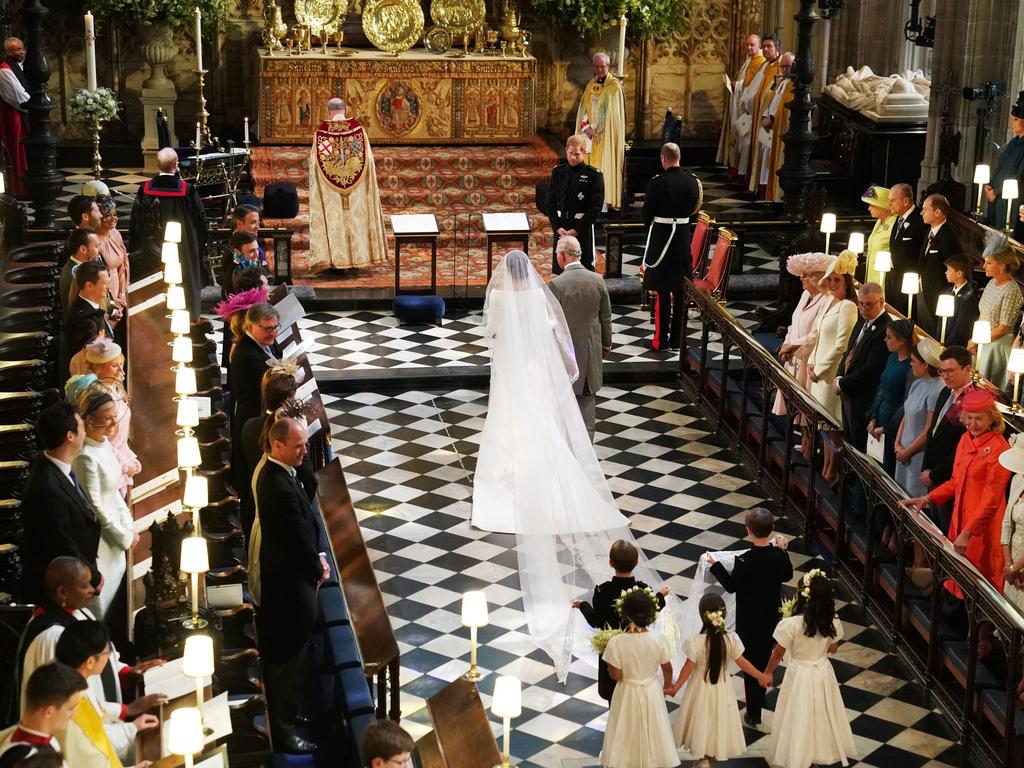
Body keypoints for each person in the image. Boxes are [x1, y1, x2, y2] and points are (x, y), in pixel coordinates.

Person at [471, 250, 673, 680]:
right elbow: (555, 334)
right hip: (532, 371)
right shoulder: (539, 297)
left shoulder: (503, 299)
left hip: (509, 371)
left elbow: (490, 331)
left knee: (507, 422)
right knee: (537, 424)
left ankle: (508, 479)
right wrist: (564, 370)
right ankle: (543, 470)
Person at [17, 559, 164, 763]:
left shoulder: (78, 611)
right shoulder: (53, 638)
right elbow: (77, 711)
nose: (94, 590)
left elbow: (103, 653)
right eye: (85, 585)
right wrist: (127, 718)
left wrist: (126, 671)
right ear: (62, 593)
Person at [255, 418, 329, 754]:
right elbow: (298, 536)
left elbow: (310, 490)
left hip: (291, 581)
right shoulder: (278, 485)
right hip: (289, 592)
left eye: (305, 444)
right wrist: (317, 566)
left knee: (294, 661)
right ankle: (283, 733)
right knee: (288, 660)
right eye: (298, 446)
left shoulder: (283, 473)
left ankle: (288, 713)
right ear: (278, 445)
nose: (304, 451)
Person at [903, 390, 1011, 597]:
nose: (972, 423)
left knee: (977, 585)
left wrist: (968, 532)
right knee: (955, 578)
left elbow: (991, 500)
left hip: (982, 529)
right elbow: (956, 482)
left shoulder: (999, 449)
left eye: (979, 418)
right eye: (969, 418)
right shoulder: (965, 439)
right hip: (960, 521)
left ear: (992, 418)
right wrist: (928, 498)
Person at [706, 507, 792, 728]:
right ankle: (760, 693)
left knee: (751, 662)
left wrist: (715, 566)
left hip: (749, 621)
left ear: (748, 531)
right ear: (772, 530)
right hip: (772, 618)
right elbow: (788, 574)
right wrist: (782, 550)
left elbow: (732, 586)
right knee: (764, 657)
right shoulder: (778, 557)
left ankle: (753, 712)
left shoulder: (744, 560)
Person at [763, 570, 855, 768]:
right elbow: (833, 648)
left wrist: (767, 671)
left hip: (799, 675)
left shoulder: (792, 624)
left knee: (798, 715)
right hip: (822, 673)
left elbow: (778, 653)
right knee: (820, 715)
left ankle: (800, 756)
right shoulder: (832, 621)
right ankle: (815, 754)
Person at [668, 593, 768, 766]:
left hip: (699, 688)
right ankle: (709, 760)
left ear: (702, 616)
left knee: (700, 720)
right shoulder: (731, 639)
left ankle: (703, 759)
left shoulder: (696, 642)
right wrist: (760, 676)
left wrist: (675, 687)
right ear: (723, 614)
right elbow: (743, 663)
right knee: (716, 722)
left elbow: (688, 669)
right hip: (722, 688)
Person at [70, 389, 135, 640]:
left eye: (113, 416)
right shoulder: (85, 456)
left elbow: (115, 493)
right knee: (104, 606)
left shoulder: (104, 443)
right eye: (107, 418)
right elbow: (96, 507)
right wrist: (123, 537)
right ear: (89, 421)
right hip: (102, 542)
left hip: (117, 531)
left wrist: (129, 526)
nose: (113, 423)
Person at [19, 403, 99, 605]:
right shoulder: (48, 487)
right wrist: (93, 575)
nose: (85, 433)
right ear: (70, 436)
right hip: (59, 593)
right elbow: (62, 543)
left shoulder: (58, 469)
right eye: (81, 429)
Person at [571, 540, 668, 702]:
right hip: (639, 652)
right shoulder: (643, 591)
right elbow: (650, 610)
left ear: (610, 563)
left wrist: (583, 606)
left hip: (613, 653)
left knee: (614, 697)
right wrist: (660, 596)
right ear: (636, 563)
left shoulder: (603, 591)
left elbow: (596, 621)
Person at [54, 621, 158, 768]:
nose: (109, 658)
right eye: (107, 652)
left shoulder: (71, 683)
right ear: (90, 661)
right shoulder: (74, 703)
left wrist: (131, 722)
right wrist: (131, 729)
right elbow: (96, 748)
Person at [307, 98, 388, 271]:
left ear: (328, 112)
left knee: (334, 218)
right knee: (355, 218)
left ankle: (333, 260)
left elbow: (315, 164)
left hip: (330, 187)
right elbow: (369, 161)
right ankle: (358, 258)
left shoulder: (322, 134)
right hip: (356, 187)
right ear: (345, 110)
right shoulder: (358, 131)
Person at [599, 590, 677, 768]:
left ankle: (626, 761)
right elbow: (667, 668)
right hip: (651, 691)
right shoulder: (659, 639)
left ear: (625, 614)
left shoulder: (617, 642)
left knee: (626, 728)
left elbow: (617, 675)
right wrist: (667, 685)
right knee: (653, 728)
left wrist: (611, 670)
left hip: (627, 692)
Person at [128, 147, 208, 319]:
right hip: (183, 248)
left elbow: (135, 222)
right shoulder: (188, 190)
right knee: (184, 282)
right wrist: (199, 246)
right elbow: (201, 222)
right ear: (176, 165)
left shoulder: (145, 189)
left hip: (153, 247)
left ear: (158, 165)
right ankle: (187, 318)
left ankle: (154, 319)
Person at [641, 142, 702, 352]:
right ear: (679, 157)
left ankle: (661, 341)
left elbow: (647, 213)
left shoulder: (657, 182)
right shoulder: (693, 182)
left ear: (663, 159)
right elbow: (695, 211)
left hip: (661, 241)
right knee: (680, 291)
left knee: (663, 292)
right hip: (683, 241)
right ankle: (678, 340)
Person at [549, 234, 612, 440]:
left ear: (563, 256)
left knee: (563, 407)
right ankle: (588, 456)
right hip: (591, 351)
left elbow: (551, 322)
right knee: (587, 407)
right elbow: (606, 317)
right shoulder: (597, 280)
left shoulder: (557, 284)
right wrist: (606, 344)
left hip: (565, 354)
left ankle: (567, 453)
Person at [807, 254, 857, 482]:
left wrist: (820, 369)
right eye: (831, 280)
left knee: (833, 425)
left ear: (846, 282)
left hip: (828, 374)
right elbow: (818, 335)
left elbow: (841, 345)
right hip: (817, 371)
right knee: (824, 425)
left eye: (838, 280)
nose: (833, 284)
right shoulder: (829, 302)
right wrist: (810, 363)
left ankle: (832, 470)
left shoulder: (848, 307)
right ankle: (825, 466)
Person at [69, 343, 140, 497]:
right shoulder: (97, 397)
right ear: (98, 368)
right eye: (115, 366)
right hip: (110, 464)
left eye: (121, 365)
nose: (121, 371)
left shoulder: (113, 388)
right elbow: (99, 437)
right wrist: (125, 466)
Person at [230, 302, 281, 494]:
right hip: (253, 419)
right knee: (252, 476)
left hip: (263, 416)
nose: (273, 333)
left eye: (276, 327)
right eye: (267, 329)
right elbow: (261, 395)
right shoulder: (247, 355)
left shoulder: (266, 340)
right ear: (250, 327)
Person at [771, 252, 831, 418]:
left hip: (807, 357)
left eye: (805, 276)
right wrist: (786, 342)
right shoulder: (805, 295)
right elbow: (794, 322)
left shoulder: (826, 300)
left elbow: (816, 333)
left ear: (816, 278)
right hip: (792, 354)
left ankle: (806, 441)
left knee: (804, 407)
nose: (801, 278)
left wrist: (793, 346)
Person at [835, 281, 890, 454]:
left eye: (868, 304)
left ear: (881, 302)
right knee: (848, 439)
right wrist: (838, 376)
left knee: (858, 446)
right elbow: (849, 352)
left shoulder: (884, 329)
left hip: (862, 397)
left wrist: (843, 383)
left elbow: (871, 369)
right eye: (861, 304)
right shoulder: (862, 321)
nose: (863, 308)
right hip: (848, 392)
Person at [545, 135, 604, 272]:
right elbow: (550, 203)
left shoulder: (594, 175)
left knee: (583, 270)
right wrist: (557, 227)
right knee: (561, 269)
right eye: (570, 153)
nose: (573, 157)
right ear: (566, 150)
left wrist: (576, 230)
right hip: (562, 228)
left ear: (583, 152)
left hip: (581, 228)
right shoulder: (558, 172)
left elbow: (595, 208)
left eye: (577, 154)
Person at [894, 339, 944, 498]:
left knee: (912, 498)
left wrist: (908, 452)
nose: (910, 364)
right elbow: (906, 415)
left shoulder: (937, 390)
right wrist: (897, 443)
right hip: (903, 450)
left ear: (925, 365)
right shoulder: (917, 383)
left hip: (916, 455)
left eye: (914, 361)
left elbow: (929, 428)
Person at [574, 52, 624, 210]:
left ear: (608, 66)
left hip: (605, 137)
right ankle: (586, 201)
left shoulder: (614, 87)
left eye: (603, 66)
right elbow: (584, 109)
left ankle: (602, 203)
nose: (601, 69)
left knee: (603, 167)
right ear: (593, 67)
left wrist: (600, 129)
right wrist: (586, 127)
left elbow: (615, 116)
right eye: (597, 66)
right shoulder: (591, 84)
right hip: (589, 135)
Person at [864, 319, 915, 474]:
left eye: (889, 337)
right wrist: (873, 417)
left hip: (894, 423)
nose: (885, 340)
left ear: (901, 341)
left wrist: (886, 428)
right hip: (881, 415)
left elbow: (906, 402)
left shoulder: (910, 367)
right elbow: (882, 388)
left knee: (886, 469)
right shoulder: (892, 357)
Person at [1, 663, 87, 754]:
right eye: (71, 708)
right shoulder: (28, 759)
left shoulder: (43, 738)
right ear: (49, 712)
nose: (75, 713)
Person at [976, 231, 1024, 388]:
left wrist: (978, 340)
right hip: (984, 342)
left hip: (997, 348)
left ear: (1002, 265)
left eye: (989, 263)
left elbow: (1004, 327)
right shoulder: (991, 283)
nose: (984, 266)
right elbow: (982, 315)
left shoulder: (1011, 289)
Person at [717, 34, 767, 179]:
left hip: (747, 109)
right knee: (738, 138)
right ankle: (736, 170)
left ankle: (742, 174)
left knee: (744, 142)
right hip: (739, 104)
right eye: (747, 45)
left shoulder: (760, 62)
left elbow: (751, 86)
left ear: (759, 46)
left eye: (752, 45)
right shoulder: (750, 60)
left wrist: (736, 85)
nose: (749, 48)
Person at [752, 50, 794, 201]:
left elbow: (784, 107)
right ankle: (764, 192)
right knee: (765, 162)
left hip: (778, 129)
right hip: (768, 130)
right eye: (783, 66)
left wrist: (771, 117)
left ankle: (772, 195)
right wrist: (765, 116)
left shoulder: (794, 86)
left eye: (788, 66)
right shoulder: (781, 82)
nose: (784, 69)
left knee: (772, 164)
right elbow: (770, 101)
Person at [916, 194, 960, 331]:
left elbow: (953, 271)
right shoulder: (930, 232)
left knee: (931, 332)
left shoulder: (948, 238)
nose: (921, 212)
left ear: (937, 212)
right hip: (923, 291)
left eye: (925, 209)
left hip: (936, 296)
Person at [744, 34, 782, 184]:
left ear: (777, 48)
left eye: (769, 46)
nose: (765, 49)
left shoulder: (780, 69)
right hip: (758, 115)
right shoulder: (765, 65)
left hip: (769, 120)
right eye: (764, 46)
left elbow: (776, 95)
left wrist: (769, 116)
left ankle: (763, 187)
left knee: (766, 154)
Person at [984, 93, 1024, 229]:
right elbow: (1001, 167)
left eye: (1016, 119)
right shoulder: (1014, 142)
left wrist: (996, 192)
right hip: (996, 198)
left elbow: (1019, 176)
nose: (1011, 122)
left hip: (1010, 201)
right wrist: (989, 185)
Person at [887, 182, 928, 302]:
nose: (889, 204)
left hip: (908, 282)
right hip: (893, 279)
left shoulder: (920, 221)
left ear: (905, 201)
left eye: (893, 200)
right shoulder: (898, 218)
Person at [999, 437, 1024, 615]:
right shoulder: (1018, 480)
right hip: (1013, 564)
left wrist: (1016, 568)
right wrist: (1008, 565)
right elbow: (1006, 523)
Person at [0, 37, 28, 197]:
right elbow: (18, 98)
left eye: (21, 48)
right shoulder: (5, 70)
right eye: (16, 49)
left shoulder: (19, 67)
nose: (21, 52)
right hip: (13, 116)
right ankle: (20, 190)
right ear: (8, 52)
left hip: (22, 114)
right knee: (18, 151)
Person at [94, 197, 128, 319]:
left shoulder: (116, 235)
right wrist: (112, 302)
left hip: (119, 286)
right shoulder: (94, 241)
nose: (113, 218)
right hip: (105, 290)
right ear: (99, 218)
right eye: (108, 215)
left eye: (115, 214)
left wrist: (122, 294)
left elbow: (122, 267)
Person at [939, 253, 980, 349]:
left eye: (949, 270)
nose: (946, 273)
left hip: (954, 347)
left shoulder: (968, 298)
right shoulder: (947, 291)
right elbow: (941, 320)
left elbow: (960, 329)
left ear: (959, 273)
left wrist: (946, 345)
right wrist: (939, 340)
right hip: (942, 342)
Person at [58, 228, 101, 314]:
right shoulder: (74, 274)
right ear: (83, 249)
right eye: (96, 246)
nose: (99, 250)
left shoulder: (78, 267)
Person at [861, 186, 894, 286]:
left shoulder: (894, 225)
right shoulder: (879, 221)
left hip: (883, 279)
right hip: (872, 274)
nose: (869, 208)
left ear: (883, 207)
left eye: (872, 205)